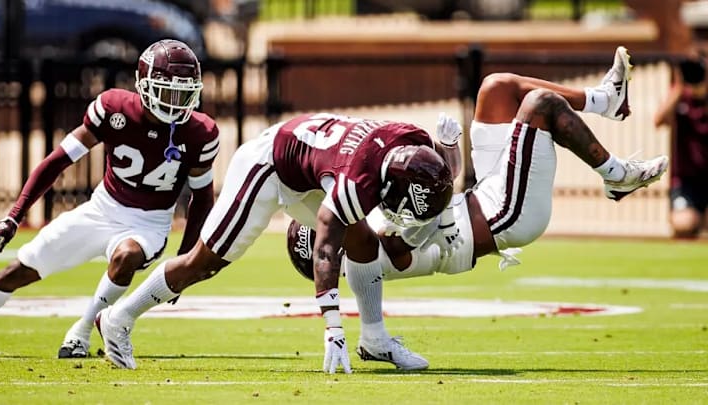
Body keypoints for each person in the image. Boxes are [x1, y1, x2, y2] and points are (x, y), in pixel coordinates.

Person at [286, 46, 669, 370]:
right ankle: (617, 174)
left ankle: (605, 100)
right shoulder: (363, 256)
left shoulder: (357, 223)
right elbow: (413, 238)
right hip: (503, 216)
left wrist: (446, 153)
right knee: (540, 105)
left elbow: (433, 193)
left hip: (478, 195)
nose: (328, 219)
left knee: (496, 88)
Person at [93, 110, 462, 371]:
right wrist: (333, 327)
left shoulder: (413, 145)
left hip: (315, 167)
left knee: (363, 238)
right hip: (270, 166)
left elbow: (436, 174)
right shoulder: (359, 180)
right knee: (204, 262)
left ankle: (375, 341)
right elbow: (326, 247)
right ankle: (118, 318)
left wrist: (448, 152)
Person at [0, 39, 219, 359]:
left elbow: (202, 198)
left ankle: (80, 333)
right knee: (16, 272)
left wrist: (182, 262)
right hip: (101, 209)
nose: (175, 102)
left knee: (126, 256)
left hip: (149, 223)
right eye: (167, 91)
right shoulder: (113, 109)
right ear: (144, 85)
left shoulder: (200, 132)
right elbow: (58, 160)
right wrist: (14, 214)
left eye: (183, 93)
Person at [653, 53, 708, 238]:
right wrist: (678, 87)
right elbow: (659, 120)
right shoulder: (681, 98)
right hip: (687, 180)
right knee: (683, 224)